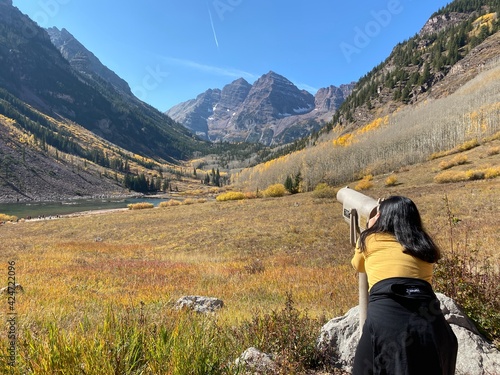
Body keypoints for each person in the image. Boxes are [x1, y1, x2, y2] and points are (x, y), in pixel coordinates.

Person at [351, 196, 458, 375]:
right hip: (430, 322)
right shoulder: (423, 244)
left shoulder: (370, 240)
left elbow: (358, 265)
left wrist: (367, 231)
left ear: (381, 218)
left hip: (386, 318)